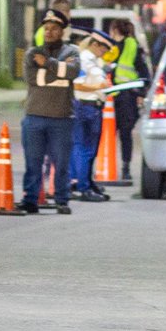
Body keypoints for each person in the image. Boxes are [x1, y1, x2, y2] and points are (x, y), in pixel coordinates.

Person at [20, 8, 81, 215]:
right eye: (46, 28)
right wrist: (59, 71)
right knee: (33, 162)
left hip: (62, 118)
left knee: (61, 163)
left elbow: (72, 73)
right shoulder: (32, 53)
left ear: (62, 31)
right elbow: (33, 80)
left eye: (54, 28)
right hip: (34, 116)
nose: (49, 32)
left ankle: (62, 200)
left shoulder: (71, 52)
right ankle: (30, 199)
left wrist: (47, 65)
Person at [70, 30, 115, 202]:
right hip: (85, 107)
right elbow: (78, 85)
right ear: (95, 45)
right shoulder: (84, 61)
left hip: (93, 107)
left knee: (89, 149)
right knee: (85, 149)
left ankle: (86, 182)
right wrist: (99, 86)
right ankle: (83, 187)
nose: (104, 53)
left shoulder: (94, 61)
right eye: (103, 49)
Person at [107, 18, 151, 181]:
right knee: (110, 134)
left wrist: (140, 93)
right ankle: (109, 166)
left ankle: (125, 167)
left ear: (115, 29)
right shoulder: (109, 46)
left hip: (125, 95)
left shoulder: (131, 46)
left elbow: (143, 72)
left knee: (124, 133)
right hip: (112, 95)